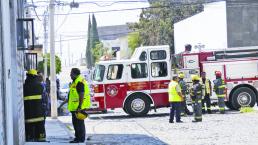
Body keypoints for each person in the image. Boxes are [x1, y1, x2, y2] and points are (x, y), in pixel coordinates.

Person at [68, 68, 91, 143]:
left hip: (78, 107)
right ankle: (77, 138)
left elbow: (81, 94)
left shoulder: (79, 82)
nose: (70, 75)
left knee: (79, 124)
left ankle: (80, 139)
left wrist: (79, 106)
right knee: (76, 123)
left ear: (75, 74)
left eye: (71, 74)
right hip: (75, 107)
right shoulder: (75, 81)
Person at [23, 69, 46, 142]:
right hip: (39, 113)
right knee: (40, 129)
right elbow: (44, 99)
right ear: (35, 76)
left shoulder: (24, 86)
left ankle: (30, 137)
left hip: (28, 113)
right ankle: (41, 139)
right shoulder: (40, 86)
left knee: (29, 130)